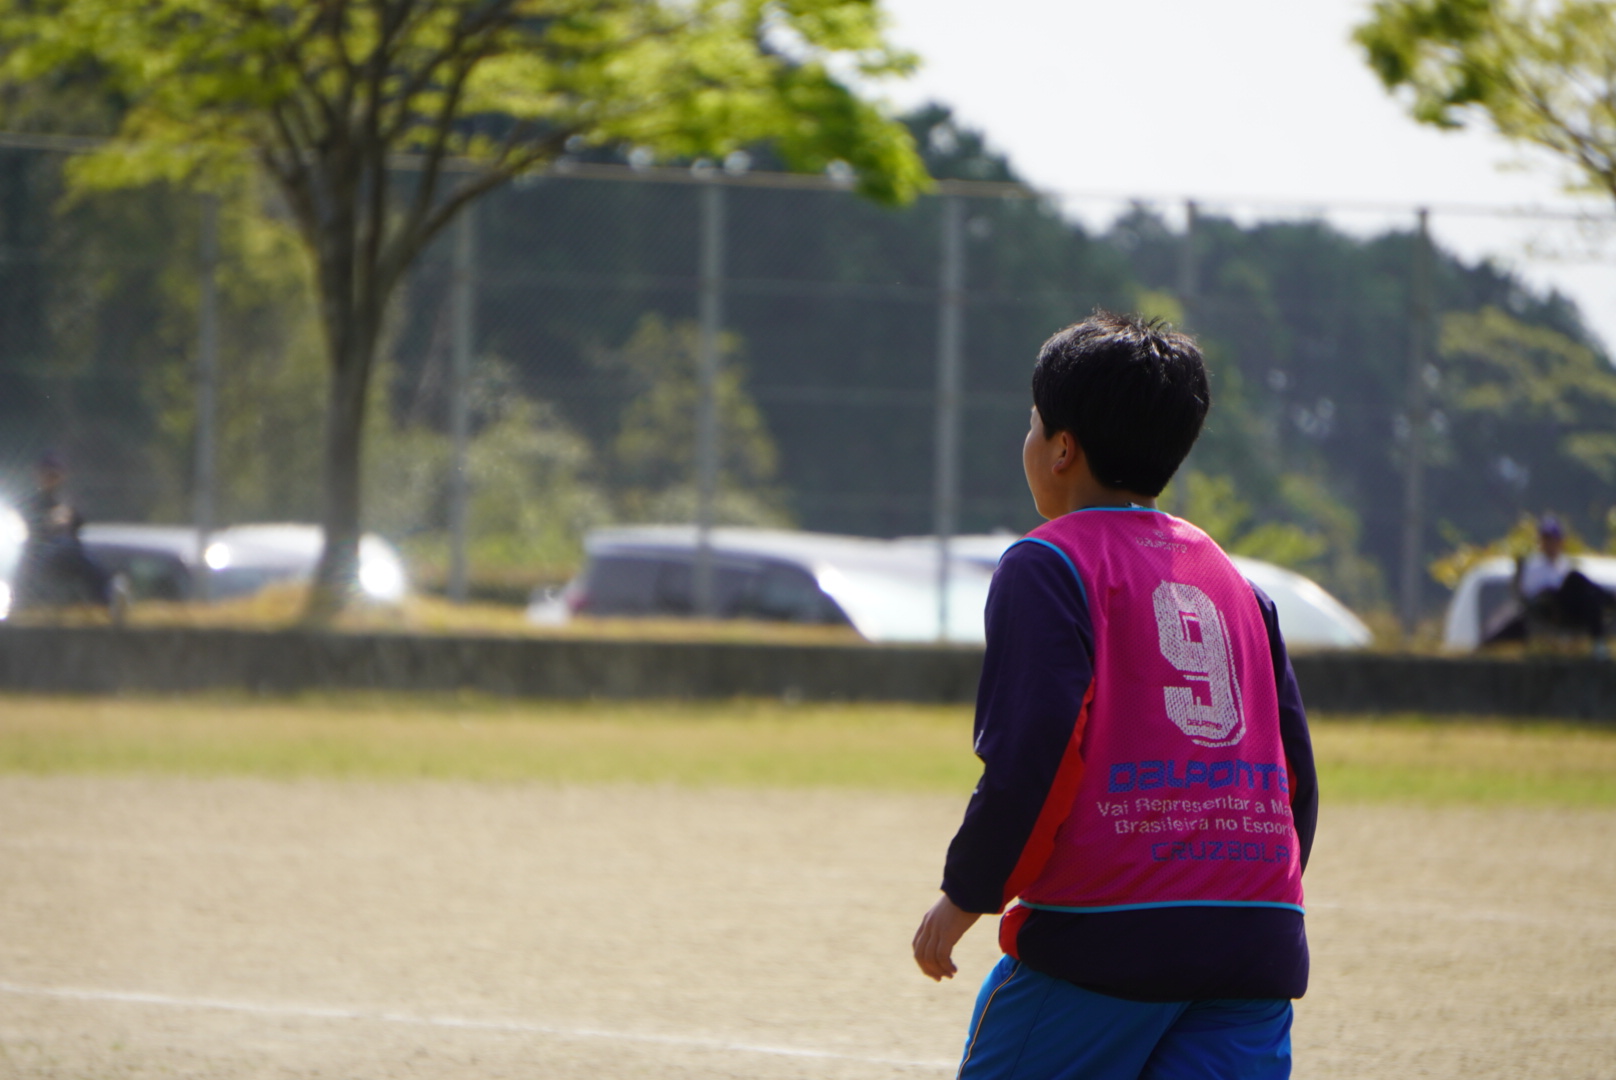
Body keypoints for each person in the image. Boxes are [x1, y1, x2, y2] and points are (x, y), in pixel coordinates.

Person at [911, 313, 1317, 1080]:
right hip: (1257, 940)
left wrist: (967, 893)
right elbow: (1293, 773)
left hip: (1104, 938)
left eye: (1033, 423)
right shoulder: (1239, 584)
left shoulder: (1048, 565)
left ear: (1062, 448)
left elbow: (1035, 754)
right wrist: (1240, 904)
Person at [14, 451, 122, 618]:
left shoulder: (64, 500)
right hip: (40, 556)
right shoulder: (31, 502)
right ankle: (106, 597)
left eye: (55, 475)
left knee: (85, 559)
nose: (51, 479)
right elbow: (27, 529)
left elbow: (79, 525)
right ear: (38, 475)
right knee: (67, 550)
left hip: (67, 555)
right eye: (47, 474)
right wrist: (48, 523)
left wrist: (69, 518)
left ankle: (108, 598)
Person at [1481, 515, 1612, 648]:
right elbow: (1530, 593)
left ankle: (1599, 640)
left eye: (1554, 540)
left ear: (1560, 542)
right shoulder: (1533, 565)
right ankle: (1609, 602)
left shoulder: (1564, 563)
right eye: (1547, 539)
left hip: (1569, 607)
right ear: (1541, 541)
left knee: (1589, 594)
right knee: (1575, 578)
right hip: (1548, 606)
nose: (1550, 544)